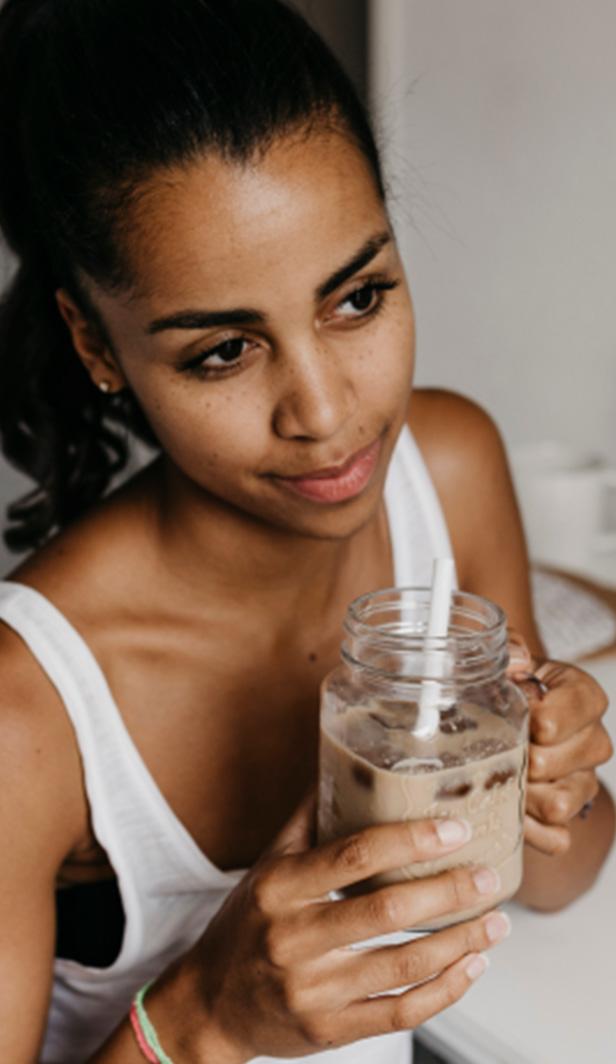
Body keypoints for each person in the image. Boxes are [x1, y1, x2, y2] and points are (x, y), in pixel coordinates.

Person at [0, 1, 613, 1061]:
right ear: (96, 344)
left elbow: (557, 879)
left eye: (357, 298)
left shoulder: (449, 469)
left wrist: (558, 781)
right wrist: (205, 1014)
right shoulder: (28, 714)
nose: (326, 415)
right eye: (223, 352)